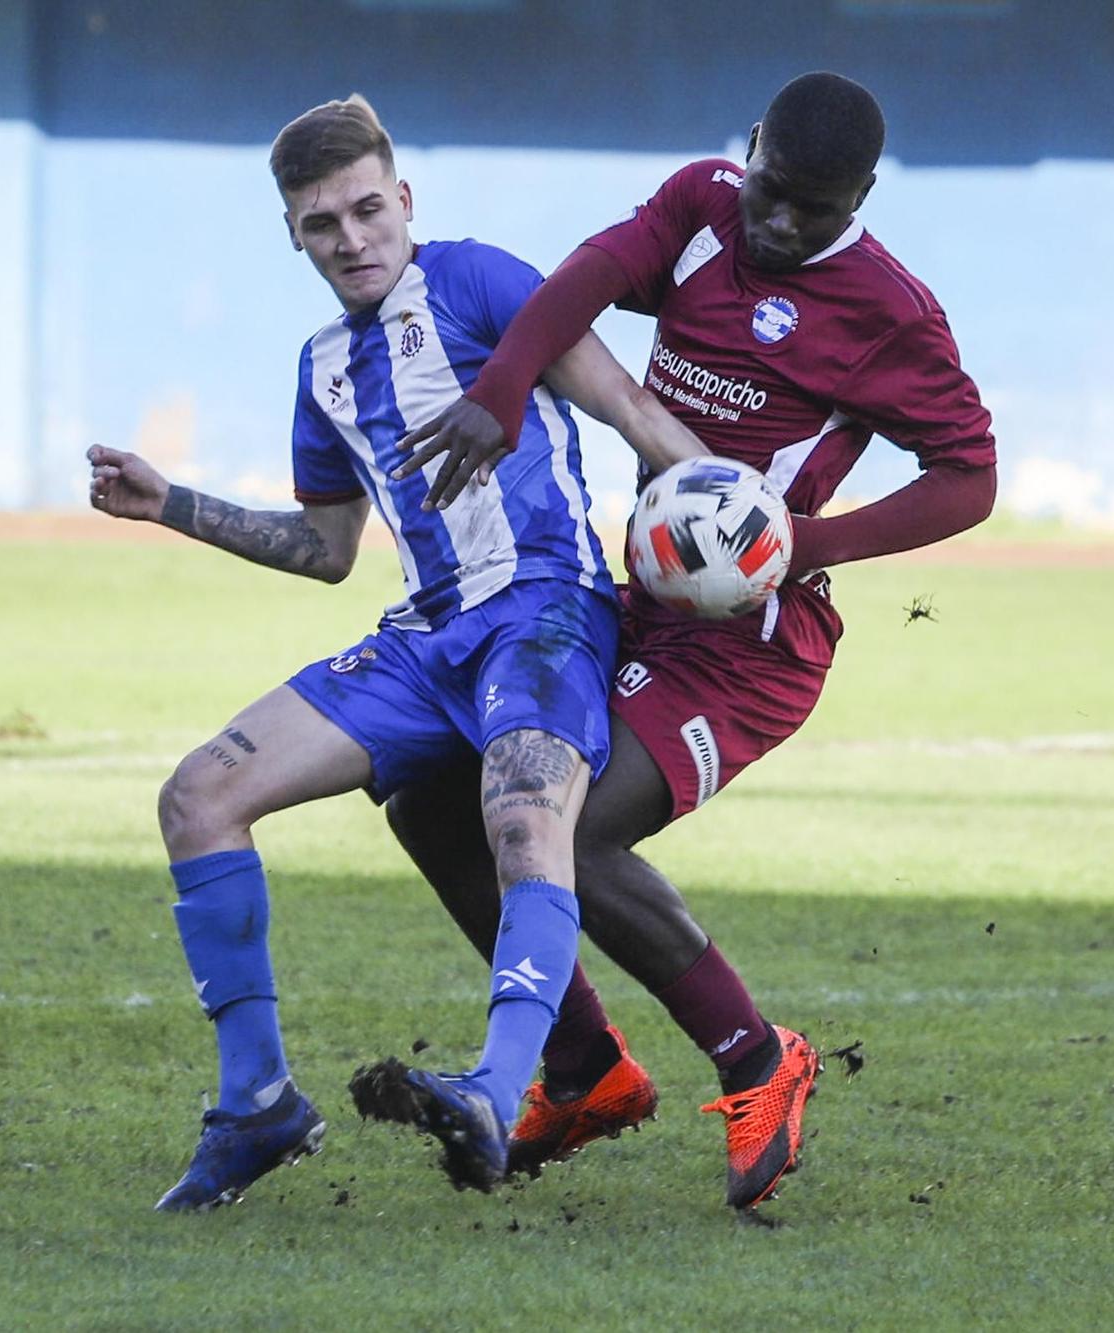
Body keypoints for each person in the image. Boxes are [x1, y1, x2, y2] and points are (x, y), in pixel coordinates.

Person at [384, 71, 998, 1211]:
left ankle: (757, 1059)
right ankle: (581, 1071)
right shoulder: (702, 205)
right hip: (639, 602)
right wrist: (507, 384)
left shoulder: (889, 313)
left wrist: (798, 540)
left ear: (859, 196)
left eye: (810, 209)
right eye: (769, 189)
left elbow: (969, 477)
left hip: (753, 647)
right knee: (431, 798)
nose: (776, 222)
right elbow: (589, 277)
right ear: (749, 148)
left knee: (577, 828)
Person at [86, 94, 708, 1209]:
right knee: (198, 798)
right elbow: (325, 548)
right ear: (293, 235)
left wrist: (731, 514)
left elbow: (624, 406)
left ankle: (498, 1084)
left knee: (522, 814)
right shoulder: (321, 368)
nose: (351, 239)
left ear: (404, 201)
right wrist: (168, 502)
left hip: (545, 608)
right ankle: (256, 1105)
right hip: (422, 640)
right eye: (321, 224)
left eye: (368, 210)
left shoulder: (475, 279)